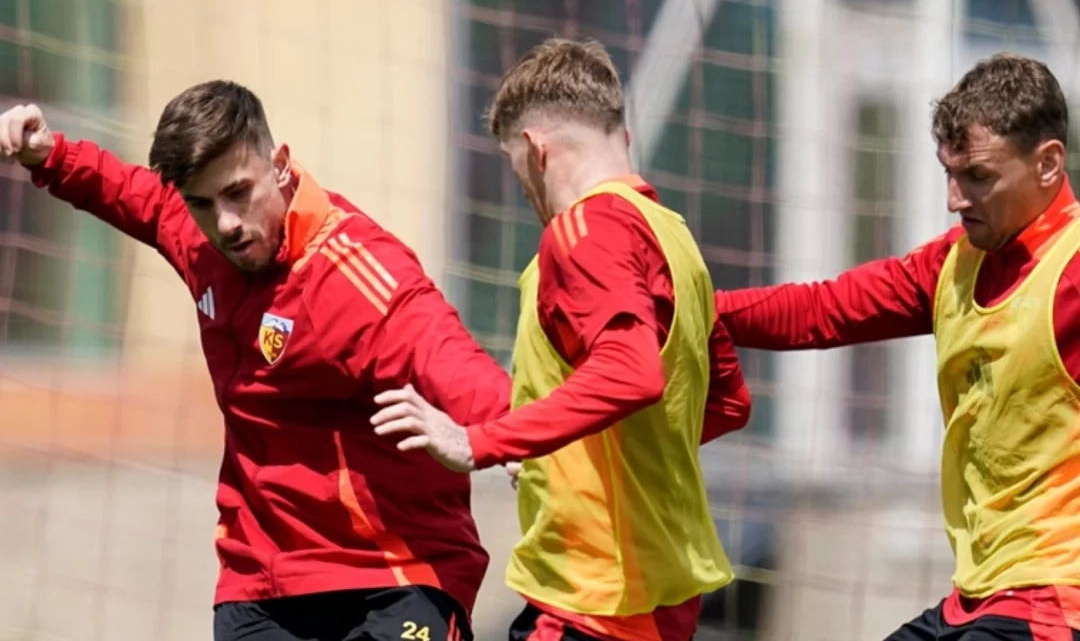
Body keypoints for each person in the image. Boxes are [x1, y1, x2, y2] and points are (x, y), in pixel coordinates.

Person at [0, 82, 510, 641]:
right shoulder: (204, 239)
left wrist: (514, 438)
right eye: (201, 203)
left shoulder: (357, 275)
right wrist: (50, 156)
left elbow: (456, 365)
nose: (225, 224)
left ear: (281, 165)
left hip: (394, 572)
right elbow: (138, 197)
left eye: (239, 193)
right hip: (262, 582)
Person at [371, 38, 753, 641]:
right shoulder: (674, 238)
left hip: (593, 597)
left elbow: (631, 373)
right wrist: (560, 456)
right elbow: (727, 403)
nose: (525, 189)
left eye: (515, 168)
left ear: (534, 149)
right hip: (663, 597)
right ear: (623, 138)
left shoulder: (583, 231)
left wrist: (479, 441)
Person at [712, 52, 1080, 641]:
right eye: (948, 174)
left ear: (1048, 164)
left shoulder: (1072, 271)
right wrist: (690, 309)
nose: (955, 199)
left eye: (978, 176)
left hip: (1053, 602)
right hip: (979, 597)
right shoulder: (952, 264)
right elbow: (822, 310)